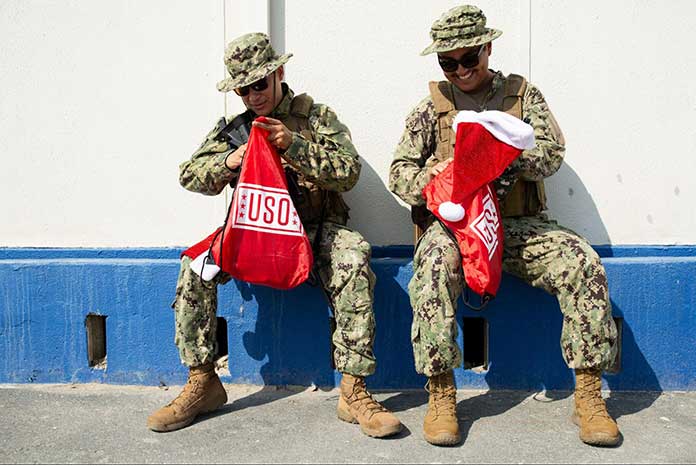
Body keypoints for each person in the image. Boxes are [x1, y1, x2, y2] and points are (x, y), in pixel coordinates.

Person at [147, 32, 402, 439]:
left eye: (259, 84)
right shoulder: (234, 130)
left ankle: (354, 389)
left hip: (314, 231)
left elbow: (349, 171)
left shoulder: (315, 118)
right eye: (243, 89)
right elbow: (190, 174)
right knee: (195, 266)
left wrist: (296, 147)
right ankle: (204, 383)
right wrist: (233, 159)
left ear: (279, 73)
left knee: (354, 256)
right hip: (256, 232)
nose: (252, 95)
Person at [389, 5, 620, 447]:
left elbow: (551, 154)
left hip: (515, 225)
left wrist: (503, 154)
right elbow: (399, 172)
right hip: (457, 229)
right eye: (447, 62)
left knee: (581, 262)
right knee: (433, 265)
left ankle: (588, 396)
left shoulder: (521, 97)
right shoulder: (431, 109)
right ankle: (441, 394)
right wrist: (445, 174)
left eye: (468, 58)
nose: (459, 70)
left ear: (488, 48)